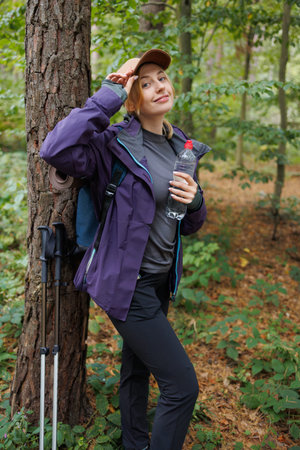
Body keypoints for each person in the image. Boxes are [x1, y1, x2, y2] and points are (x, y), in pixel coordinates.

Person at [40, 48, 210, 450]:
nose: (157, 87)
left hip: (159, 278)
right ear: (131, 99)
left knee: (136, 371)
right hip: (126, 283)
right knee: (182, 386)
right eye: (144, 82)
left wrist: (197, 201)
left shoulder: (181, 147)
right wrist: (111, 90)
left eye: (162, 79)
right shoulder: (112, 144)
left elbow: (191, 223)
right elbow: (56, 149)